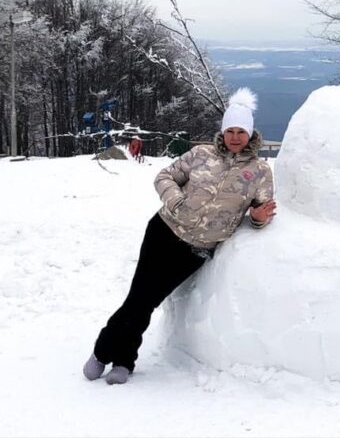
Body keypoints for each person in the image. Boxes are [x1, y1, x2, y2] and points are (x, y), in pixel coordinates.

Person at [82, 88, 276, 384]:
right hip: (163, 231)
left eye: (241, 132)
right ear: (223, 132)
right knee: (139, 299)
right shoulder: (201, 154)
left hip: (196, 249)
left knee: (147, 300)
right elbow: (164, 177)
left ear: (250, 134)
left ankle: (108, 354)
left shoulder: (259, 172)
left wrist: (259, 219)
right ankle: (116, 359)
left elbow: (262, 208)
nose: (235, 137)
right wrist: (175, 201)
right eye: (230, 131)